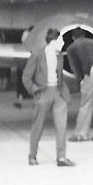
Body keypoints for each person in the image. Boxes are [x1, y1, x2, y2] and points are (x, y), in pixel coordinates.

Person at [22, 28, 75, 167]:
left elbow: (60, 76)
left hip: (58, 93)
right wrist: (35, 91)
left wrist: (65, 95)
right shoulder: (38, 55)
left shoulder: (60, 56)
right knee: (37, 126)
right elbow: (26, 77)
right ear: (54, 41)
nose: (63, 42)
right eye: (61, 40)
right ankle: (32, 156)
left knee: (62, 127)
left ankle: (61, 158)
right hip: (43, 93)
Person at [66, 30, 93, 142]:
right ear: (84, 35)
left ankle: (81, 134)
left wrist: (81, 80)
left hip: (89, 74)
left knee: (86, 104)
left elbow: (75, 67)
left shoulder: (71, 48)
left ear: (74, 37)